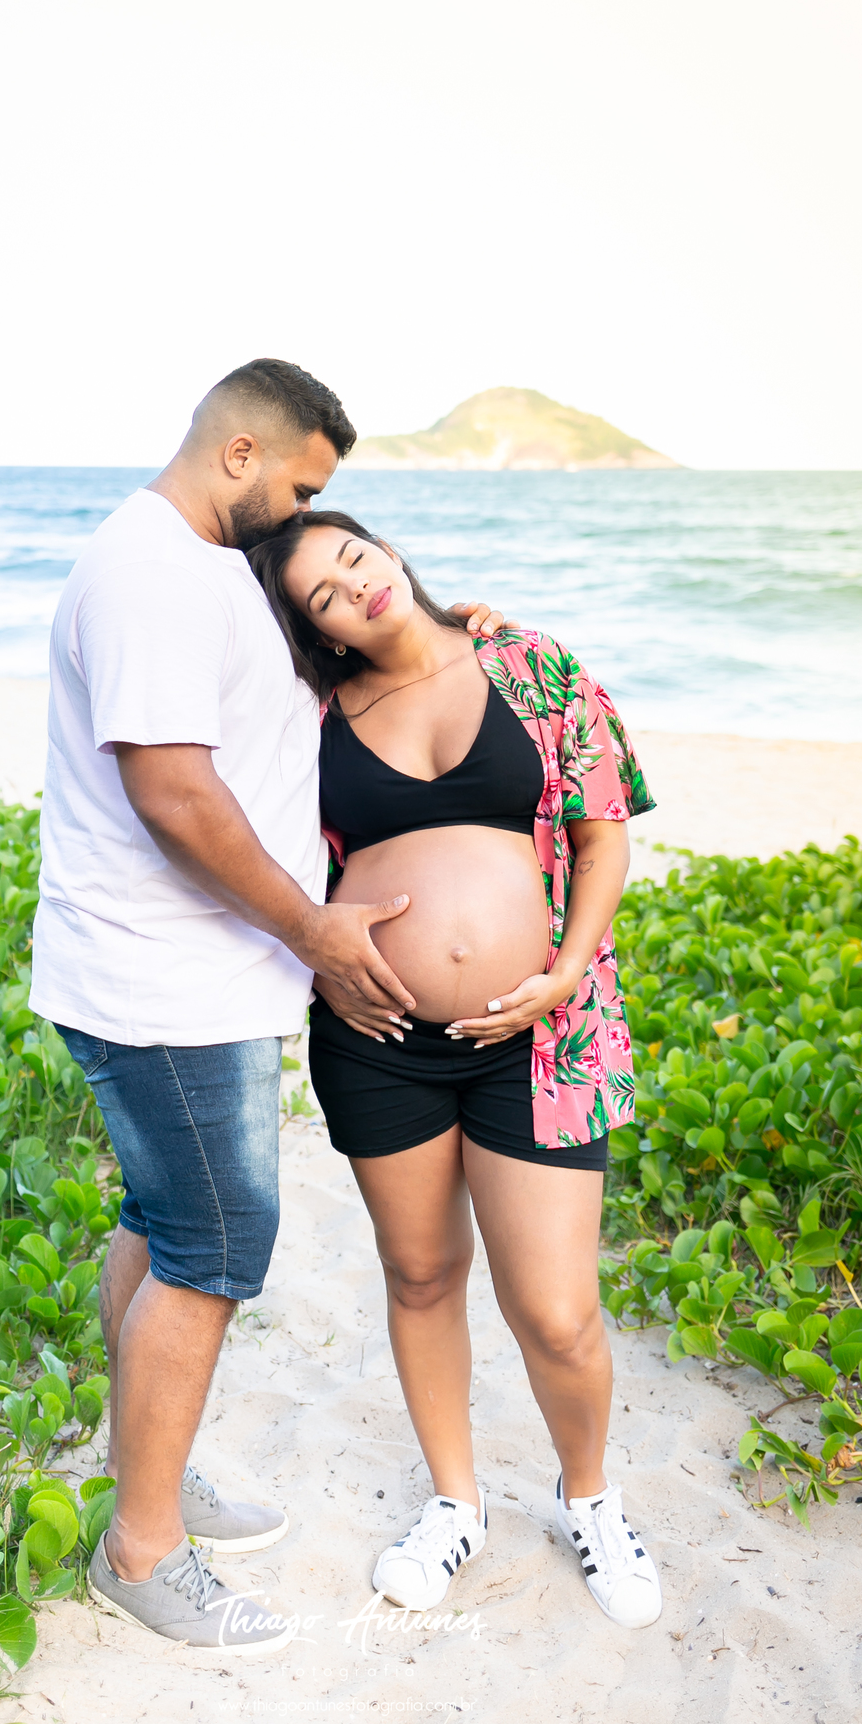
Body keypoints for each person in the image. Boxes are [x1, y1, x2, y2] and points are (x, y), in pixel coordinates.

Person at [28, 361, 507, 1653]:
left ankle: (149, 1469)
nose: (300, 516)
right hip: (162, 988)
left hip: (193, 979)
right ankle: (142, 1551)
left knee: (159, 1219)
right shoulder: (150, 574)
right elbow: (173, 794)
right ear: (240, 454)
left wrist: (440, 634)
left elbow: (290, 699)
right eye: (298, 488)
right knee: (215, 1246)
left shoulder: (203, 569)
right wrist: (312, 929)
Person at [248, 508, 663, 1630]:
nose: (354, 588)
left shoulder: (530, 663)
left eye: (354, 558)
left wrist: (563, 972)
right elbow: (258, 855)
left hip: (541, 1037)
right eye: (324, 597)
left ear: (387, 550)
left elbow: (603, 832)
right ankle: (455, 1503)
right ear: (318, 634)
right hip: (379, 1045)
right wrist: (320, 952)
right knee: (422, 1274)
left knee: (558, 1310)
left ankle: (592, 1500)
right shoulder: (307, 717)